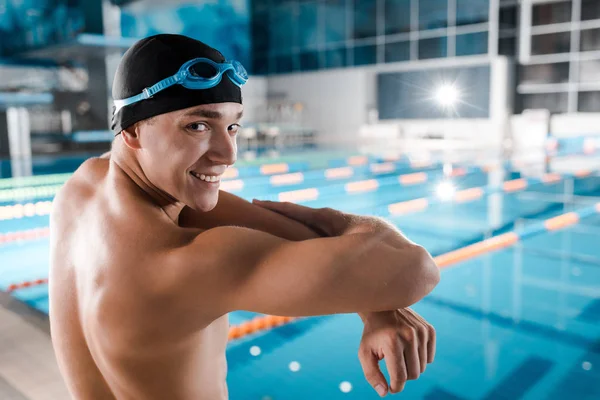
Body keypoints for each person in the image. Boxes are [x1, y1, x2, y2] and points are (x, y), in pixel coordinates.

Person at [48, 34, 440, 400]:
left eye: (232, 126)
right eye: (197, 125)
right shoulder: (190, 264)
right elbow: (414, 267)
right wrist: (335, 220)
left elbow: (284, 232)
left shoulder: (82, 188)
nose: (228, 153)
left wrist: (375, 304)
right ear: (133, 131)